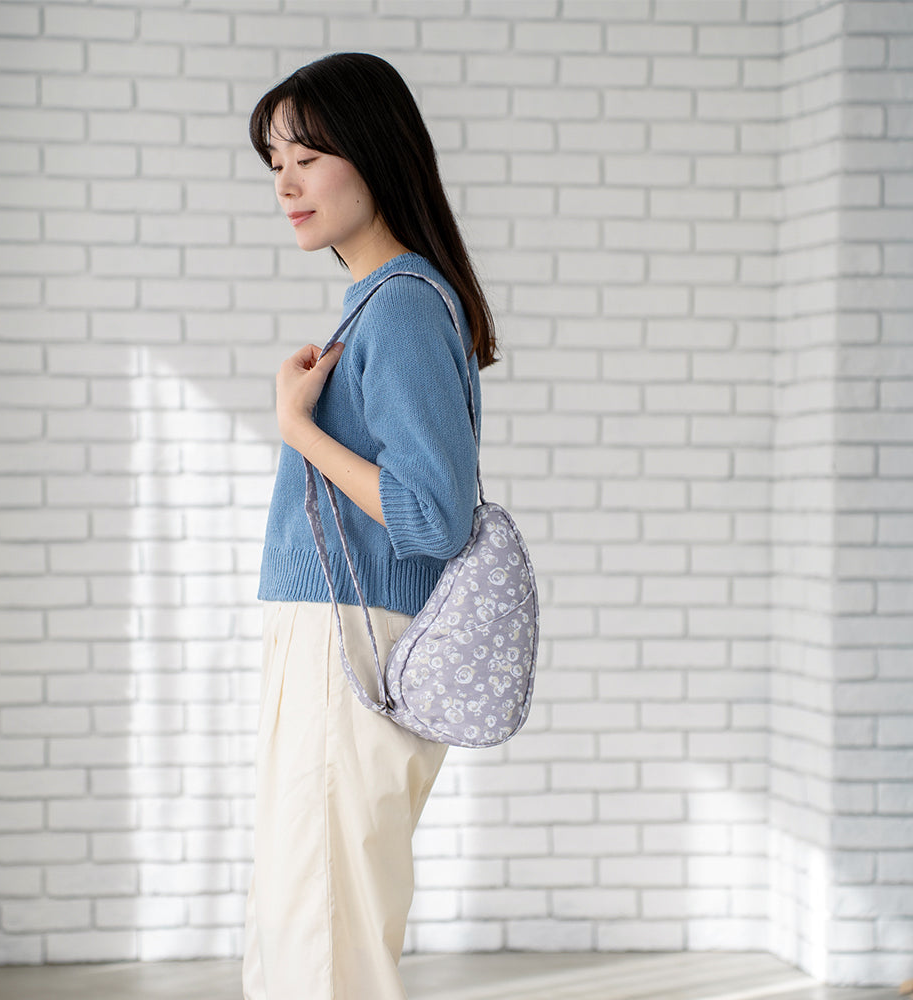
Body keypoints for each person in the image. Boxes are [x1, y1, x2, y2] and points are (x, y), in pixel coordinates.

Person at [243, 52, 500, 1000]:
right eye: (276, 162)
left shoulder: (399, 307)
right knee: (309, 919)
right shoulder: (381, 305)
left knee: (323, 937)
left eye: (308, 157)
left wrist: (299, 429)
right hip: (331, 640)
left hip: (344, 647)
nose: (286, 184)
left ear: (376, 153)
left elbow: (432, 516)